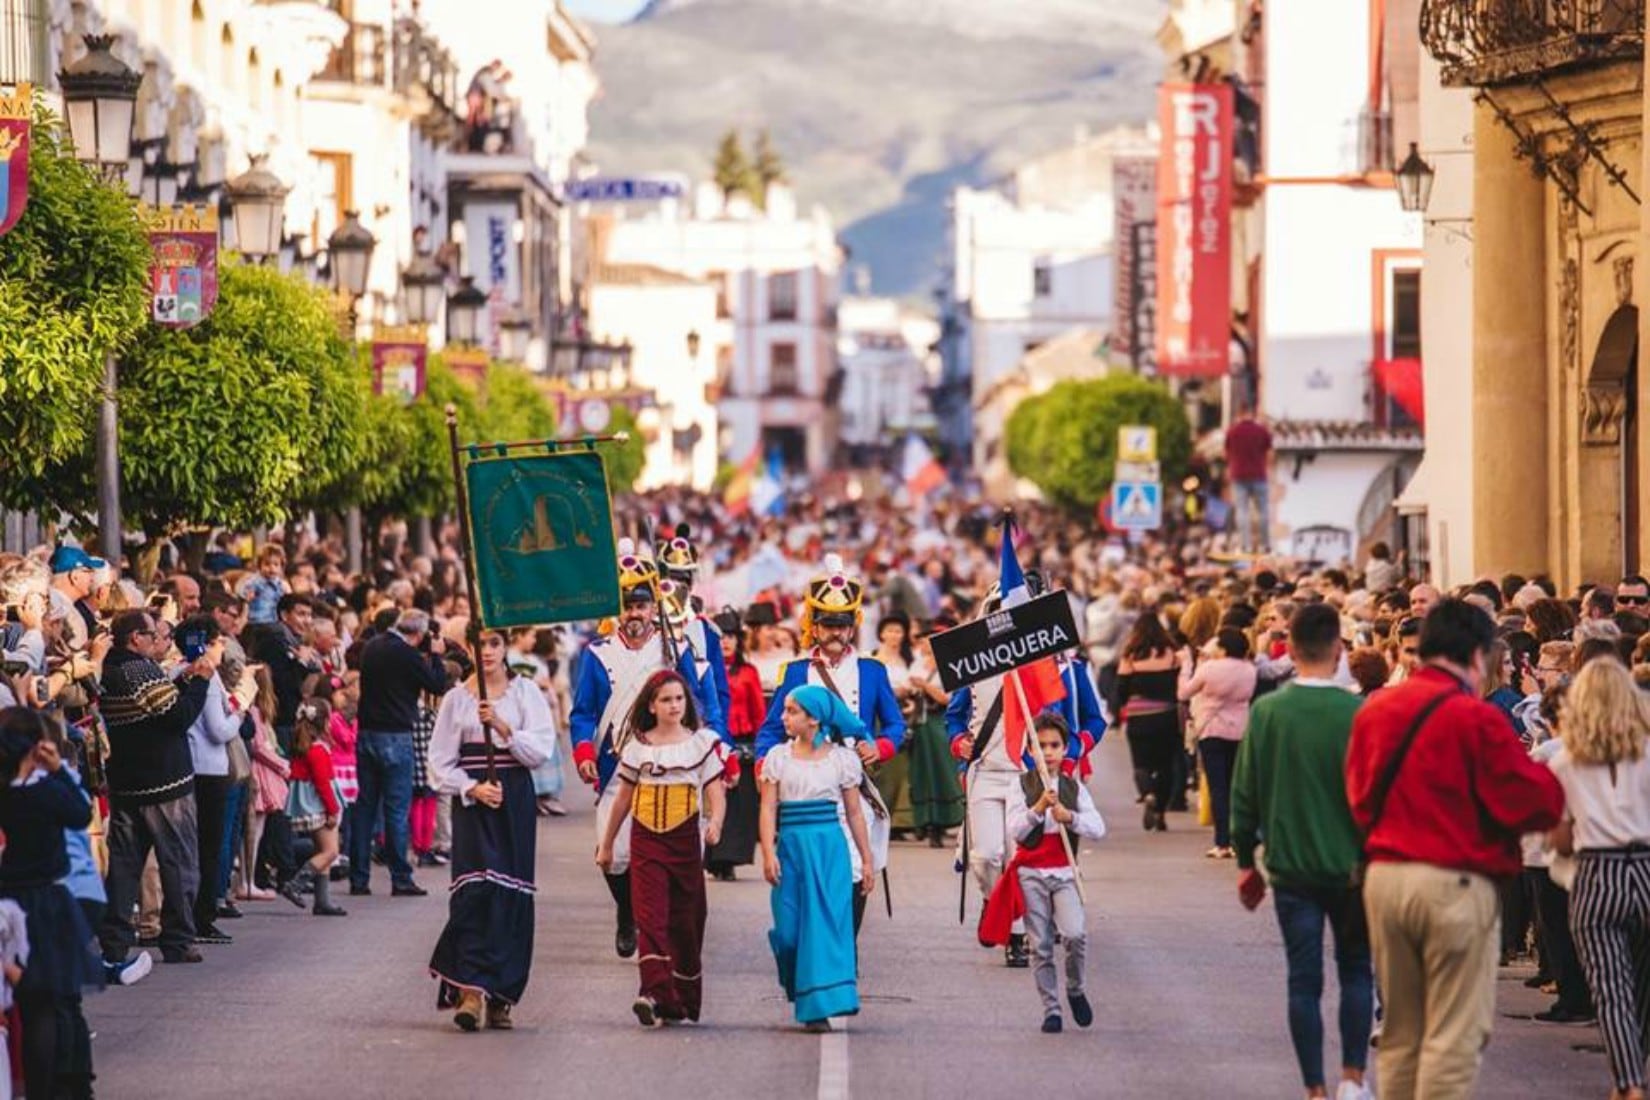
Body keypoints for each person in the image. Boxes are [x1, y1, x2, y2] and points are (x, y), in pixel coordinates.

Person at [1347, 599, 1566, 1100]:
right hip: (1453, 881)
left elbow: (1356, 798)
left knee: (1401, 1028)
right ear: (1477, 654)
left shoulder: (1375, 711)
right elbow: (1537, 800)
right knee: (1452, 1031)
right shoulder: (1476, 719)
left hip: (1385, 880)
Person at [1230, 603, 1373, 1100]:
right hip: (1353, 869)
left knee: (1303, 979)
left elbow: (1244, 793)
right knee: (1357, 970)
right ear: (1338, 649)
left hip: (1291, 869)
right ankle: (1353, 1076)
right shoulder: (1359, 713)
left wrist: (1246, 862)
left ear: (1289, 651)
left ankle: (1314, 1088)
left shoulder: (1269, 712)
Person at [572, 541, 722, 958]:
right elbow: (583, 713)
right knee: (612, 853)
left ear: (653, 607)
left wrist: (711, 752)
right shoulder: (598, 654)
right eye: (626, 606)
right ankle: (627, 910)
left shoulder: (675, 650)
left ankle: (659, 928)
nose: (634, 614)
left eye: (640, 605)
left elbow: (699, 705)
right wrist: (585, 753)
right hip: (617, 763)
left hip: (671, 764)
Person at [755, 554, 906, 933]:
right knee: (808, 872)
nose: (835, 632)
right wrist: (765, 769)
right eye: (827, 624)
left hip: (853, 779)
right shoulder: (794, 672)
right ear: (814, 625)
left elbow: (894, 725)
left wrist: (881, 747)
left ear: (852, 626)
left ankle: (845, 946)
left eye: (842, 625)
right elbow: (770, 732)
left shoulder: (873, 670)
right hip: (805, 786)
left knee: (857, 866)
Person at [428, 628, 556, 1033]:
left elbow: (540, 750)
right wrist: (471, 788)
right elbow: (439, 763)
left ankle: (502, 993)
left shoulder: (525, 693)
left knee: (511, 889)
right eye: (479, 644)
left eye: (494, 644)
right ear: (468, 648)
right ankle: (471, 990)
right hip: (475, 802)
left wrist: (502, 727)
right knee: (473, 888)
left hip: (513, 797)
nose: (486, 652)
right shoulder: (455, 699)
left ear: (506, 647)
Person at [596, 670, 728, 1027]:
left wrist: (714, 823)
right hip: (646, 839)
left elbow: (715, 791)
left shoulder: (701, 744)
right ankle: (653, 993)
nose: (673, 705)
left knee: (687, 918)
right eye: (666, 700)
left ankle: (680, 997)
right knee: (649, 915)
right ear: (651, 706)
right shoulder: (637, 747)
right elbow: (623, 799)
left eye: (679, 699)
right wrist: (606, 844)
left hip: (685, 839)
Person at [1548, 658, 1650, 1099]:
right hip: (1645, 866)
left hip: (1597, 872)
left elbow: (1562, 838)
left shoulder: (1566, 763)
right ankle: (1636, 1060)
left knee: (1611, 987)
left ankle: (1628, 1081)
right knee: (1644, 982)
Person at [99, 609, 217, 966]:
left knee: (123, 868)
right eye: (153, 636)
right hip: (164, 784)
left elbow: (156, 705)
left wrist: (180, 683)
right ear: (135, 638)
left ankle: (114, 942)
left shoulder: (110, 669)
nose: (158, 642)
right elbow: (177, 717)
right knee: (178, 863)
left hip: (126, 783)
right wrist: (200, 683)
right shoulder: (138, 669)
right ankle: (178, 940)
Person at [0, 709, 104, 1100]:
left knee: (27, 1005)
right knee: (49, 1003)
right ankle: (57, 1087)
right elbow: (80, 813)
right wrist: (59, 768)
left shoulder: (6, 793)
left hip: (10, 898)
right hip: (46, 899)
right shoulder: (45, 792)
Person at [759, 685, 876, 1033]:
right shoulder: (777, 758)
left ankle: (821, 1004)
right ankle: (797, 981)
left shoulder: (842, 760)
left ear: (814, 719)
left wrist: (867, 860)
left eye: (791, 711)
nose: (783, 717)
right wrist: (768, 852)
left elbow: (854, 813)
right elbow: (767, 807)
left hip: (829, 849)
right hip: (791, 847)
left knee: (825, 927)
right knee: (789, 933)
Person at [1002, 715, 1106, 1034]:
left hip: (1063, 871)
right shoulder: (1020, 785)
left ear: (1065, 749)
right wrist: (1037, 810)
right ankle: (1051, 1008)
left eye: (1055, 746)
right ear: (1030, 750)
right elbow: (1014, 830)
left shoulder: (1073, 788)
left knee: (1075, 934)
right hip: (1030, 871)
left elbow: (1098, 829)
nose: (1048, 752)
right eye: (1041, 746)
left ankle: (1075, 988)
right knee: (1041, 944)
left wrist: (1069, 817)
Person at [350, 609, 450, 897]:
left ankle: (359, 878)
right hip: (396, 735)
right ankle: (400, 877)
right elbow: (436, 684)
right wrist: (436, 656)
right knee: (396, 809)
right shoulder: (407, 655)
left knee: (365, 808)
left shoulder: (372, 647)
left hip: (367, 733)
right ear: (418, 634)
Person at [175, 615, 241, 947]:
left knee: (190, 844)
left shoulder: (177, 671)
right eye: (217, 641)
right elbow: (218, 729)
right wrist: (238, 715)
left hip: (186, 765)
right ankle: (203, 914)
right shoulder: (209, 678)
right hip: (210, 769)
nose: (223, 646)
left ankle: (187, 913)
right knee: (210, 846)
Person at [1179, 626, 1257, 858]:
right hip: (1240, 729)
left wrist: (1186, 667)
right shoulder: (1249, 670)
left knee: (1217, 787)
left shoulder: (1210, 668)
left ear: (1222, 647)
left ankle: (1221, 841)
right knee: (1235, 786)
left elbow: (1184, 693)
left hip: (1212, 729)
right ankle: (1237, 839)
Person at [706, 610, 764, 881]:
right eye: (721, 637)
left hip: (742, 743)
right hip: (714, 740)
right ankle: (712, 856)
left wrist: (762, 745)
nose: (725, 642)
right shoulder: (704, 668)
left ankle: (729, 858)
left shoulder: (749, 672)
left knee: (740, 804)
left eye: (730, 637)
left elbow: (759, 711)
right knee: (713, 798)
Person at [280, 699, 348, 916]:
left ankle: (323, 900)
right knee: (331, 851)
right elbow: (323, 783)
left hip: (310, 803)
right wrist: (333, 809)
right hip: (319, 805)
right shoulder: (318, 750)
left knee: (322, 850)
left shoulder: (304, 746)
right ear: (324, 722)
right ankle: (295, 885)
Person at [1115, 611, 1182, 831]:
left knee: (1141, 763)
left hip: (1139, 716)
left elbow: (1121, 688)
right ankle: (1161, 811)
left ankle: (1148, 793)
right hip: (1166, 715)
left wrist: (1120, 709)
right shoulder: (1172, 654)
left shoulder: (1131, 655)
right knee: (1165, 766)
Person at [907, 618, 964, 847]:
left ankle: (944, 821)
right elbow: (908, 688)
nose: (926, 643)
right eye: (926, 639)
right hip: (921, 723)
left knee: (943, 771)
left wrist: (925, 685)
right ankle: (926, 822)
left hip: (940, 721)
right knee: (923, 773)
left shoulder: (949, 664)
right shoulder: (917, 664)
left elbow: (948, 698)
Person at [1225, 406, 1273, 553]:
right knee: (1263, 511)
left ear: (1239, 414)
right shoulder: (1261, 430)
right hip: (1259, 475)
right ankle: (1265, 544)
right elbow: (1270, 451)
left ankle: (1245, 545)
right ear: (1252, 414)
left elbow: (1226, 453)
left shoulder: (1232, 431)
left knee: (1242, 511)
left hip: (1238, 475)